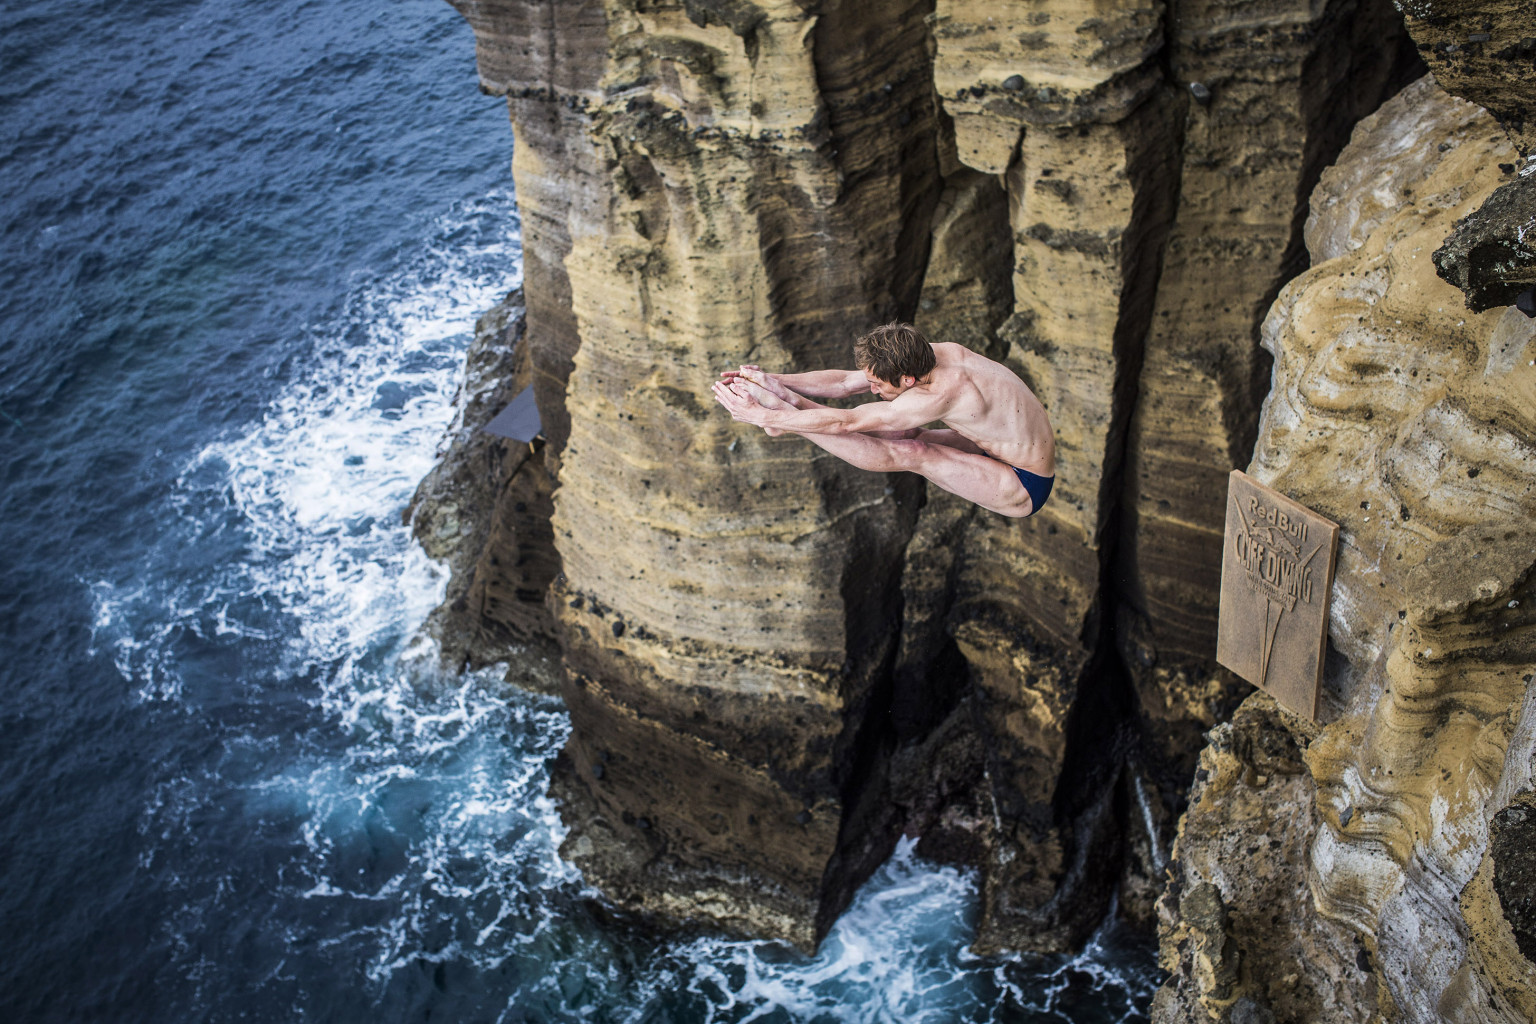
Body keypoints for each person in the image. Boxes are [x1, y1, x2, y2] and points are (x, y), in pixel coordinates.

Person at [711, 322, 1055, 518]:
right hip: (994, 446)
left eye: (877, 384)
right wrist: (777, 380)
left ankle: (783, 416)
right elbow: (845, 383)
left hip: (1023, 483)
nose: (871, 389)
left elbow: (845, 423)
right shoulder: (931, 355)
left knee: (913, 451)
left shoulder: (942, 394)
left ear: (906, 380)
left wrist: (763, 415)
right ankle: (785, 408)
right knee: (904, 431)